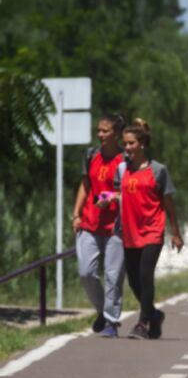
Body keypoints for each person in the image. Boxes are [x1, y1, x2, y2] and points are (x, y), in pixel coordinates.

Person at [115, 119, 183, 339]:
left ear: (142, 144)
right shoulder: (123, 169)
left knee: (145, 275)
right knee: (134, 280)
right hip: (130, 232)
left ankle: (142, 323)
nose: (127, 148)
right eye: (124, 144)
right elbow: (120, 194)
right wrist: (105, 200)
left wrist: (175, 232)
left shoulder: (158, 170)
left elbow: (169, 203)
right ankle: (154, 315)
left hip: (152, 231)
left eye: (131, 143)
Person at [71, 114, 126, 338]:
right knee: (86, 272)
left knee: (113, 275)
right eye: (98, 130)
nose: (100, 134)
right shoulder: (91, 154)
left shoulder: (125, 160)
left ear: (116, 134)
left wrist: (112, 196)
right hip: (90, 222)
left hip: (116, 226)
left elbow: (132, 191)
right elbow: (85, 185)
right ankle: (103, 311)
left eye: (105, 130)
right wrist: (76, 214)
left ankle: (111, 321)